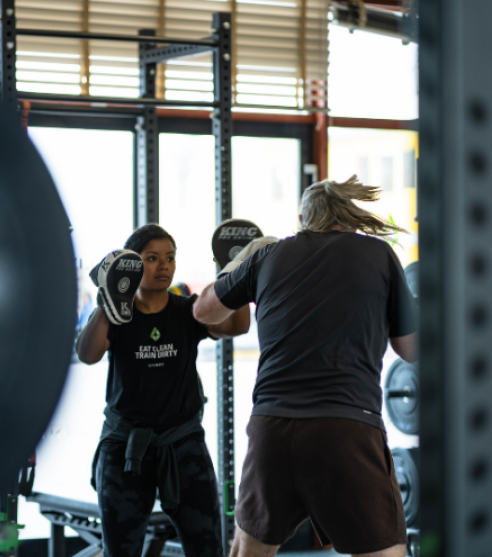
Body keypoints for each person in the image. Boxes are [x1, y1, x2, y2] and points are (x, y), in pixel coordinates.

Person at [193, 176, 418, 557]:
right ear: (347, 216)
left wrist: (239, 262)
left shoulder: (267, 255)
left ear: (303, 218)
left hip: (272, 431)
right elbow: (410, 350)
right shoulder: (379, 255)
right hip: (347, 428)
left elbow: (204, 311)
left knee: (246, 550)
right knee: (383, 552)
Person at [76, 224, 250, 557]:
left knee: (208, 549)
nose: (164, 266)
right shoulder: (118, 315)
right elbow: (88, 354)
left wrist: (235, 272)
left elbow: (237, 325)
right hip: (125, 446)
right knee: (121, 551)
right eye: (152, 258)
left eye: (169, 258)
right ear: (132, 265)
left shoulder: (189, 310)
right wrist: (108, 302)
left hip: (182, 442)